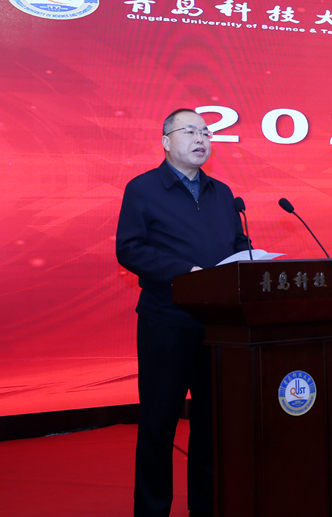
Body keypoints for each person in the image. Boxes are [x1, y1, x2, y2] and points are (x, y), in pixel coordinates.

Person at [116, 108, 250, 517]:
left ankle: (206, 508)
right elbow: (130, 249)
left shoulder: (222, 193)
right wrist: (184, 273)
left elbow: (235, 244)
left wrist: (250, 258)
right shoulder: (143, 189)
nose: (200, 139)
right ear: (165, 141)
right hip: (166, 323)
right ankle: (152, 510)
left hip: (218, 326)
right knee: (159, 424)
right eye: (190, 131)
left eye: (206, 132)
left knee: (211, 424)